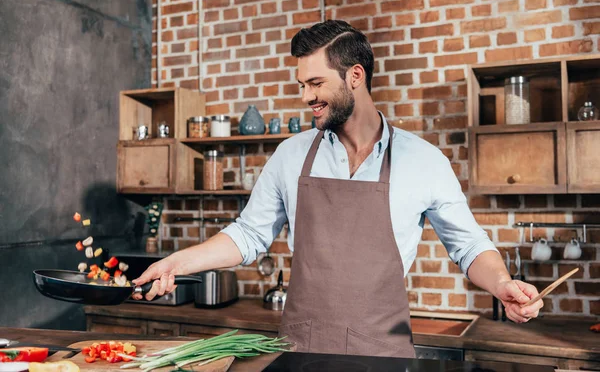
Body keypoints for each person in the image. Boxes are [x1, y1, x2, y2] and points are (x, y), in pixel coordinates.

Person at [133, 20, 543, 358]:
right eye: (301, 85)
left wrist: (502, 283)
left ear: (355, 76)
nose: (306, 97)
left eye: (315, 83)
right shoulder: (291, 155)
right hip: (301, 349)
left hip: (383, 354)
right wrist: (178, 263)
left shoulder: (423, 160)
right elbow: (249, 234)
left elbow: (469, 246)